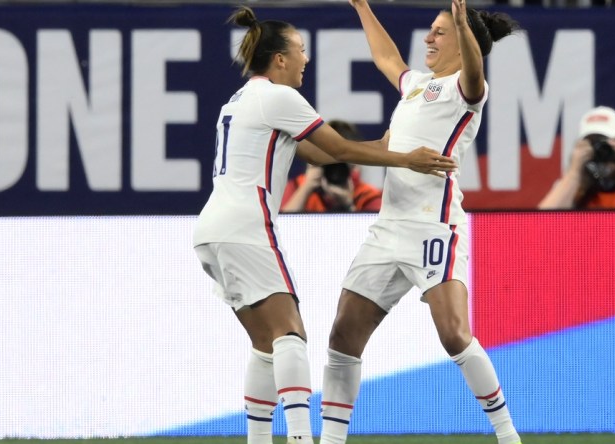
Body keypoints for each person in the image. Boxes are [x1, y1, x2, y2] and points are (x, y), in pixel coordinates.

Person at [192, 6, 456, 444]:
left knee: (265, 343)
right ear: (279, 59)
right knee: (290, 334)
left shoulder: (240, 99)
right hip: (246, 226)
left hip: (211, 230)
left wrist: (381, 145)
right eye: (300, 50)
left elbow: (317, 155)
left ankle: (258, 440)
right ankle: (299, 437)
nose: (305, 59)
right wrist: (404, 158)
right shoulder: (279, 97)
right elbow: (333, 145)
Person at [320, 1, 522, 444]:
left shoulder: (467, 90)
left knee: (453, 333)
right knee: (343, 333)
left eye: (439, 32)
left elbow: (474, 67)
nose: (428, 39)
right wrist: (361, 7)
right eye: (431, 31)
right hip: (388, 227)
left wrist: (466, 25)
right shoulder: (416, 85)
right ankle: (330, 440)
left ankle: (508, 436)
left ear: (464, 41)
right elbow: (386, 57)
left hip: (435, 226)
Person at [281, 120, 383, 213]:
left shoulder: (368, 196)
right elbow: (282, 227)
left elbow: (374, 231)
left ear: (355, 164)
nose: (335, 168)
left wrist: (348, 206)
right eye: (328, 160)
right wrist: (306, 188)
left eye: (342, 162)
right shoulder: (299, 186)